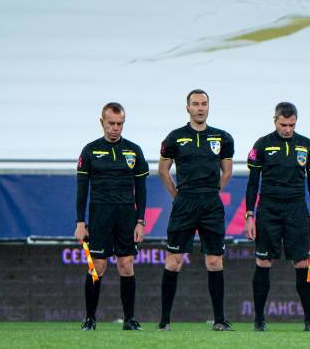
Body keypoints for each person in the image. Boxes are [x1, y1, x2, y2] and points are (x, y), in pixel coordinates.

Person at [158, 89, 234, 331]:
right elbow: (163, 170)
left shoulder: (222, 137)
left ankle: (220, 320)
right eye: (195, 104)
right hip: (184, 203)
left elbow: (228, 171)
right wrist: (177, 196)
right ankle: (164, 321)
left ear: (208, 107)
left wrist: (212, 192)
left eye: (204, 104)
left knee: (214, 261)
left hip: (211, 204)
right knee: (174, 261)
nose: (200, 108)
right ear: (187, 108)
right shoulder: (174, 137)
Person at [244, 102, 310, 331]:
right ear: (275, 120)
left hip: (296, 209)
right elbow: (252, 184)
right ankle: (259, 319)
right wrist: (250, 214)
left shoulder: (306, 145)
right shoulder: (262, 144)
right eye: (283, 124)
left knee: (302, 263)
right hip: (268, 208)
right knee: (263, 262)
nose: (288, 129)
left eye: (292, 125)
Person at [75, 102, 149, 331]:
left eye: (119, 124)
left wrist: (140, 221)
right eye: (111, 123)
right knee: (97, 266)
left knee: (126, 266)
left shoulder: (134, 150)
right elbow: (81, 189)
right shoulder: (89, 151)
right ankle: (90, 319)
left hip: (127, 215)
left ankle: (129, 320)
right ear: (102, 122)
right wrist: (80, 222)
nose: (115, 128)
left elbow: (142, 188)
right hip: (100, 215)